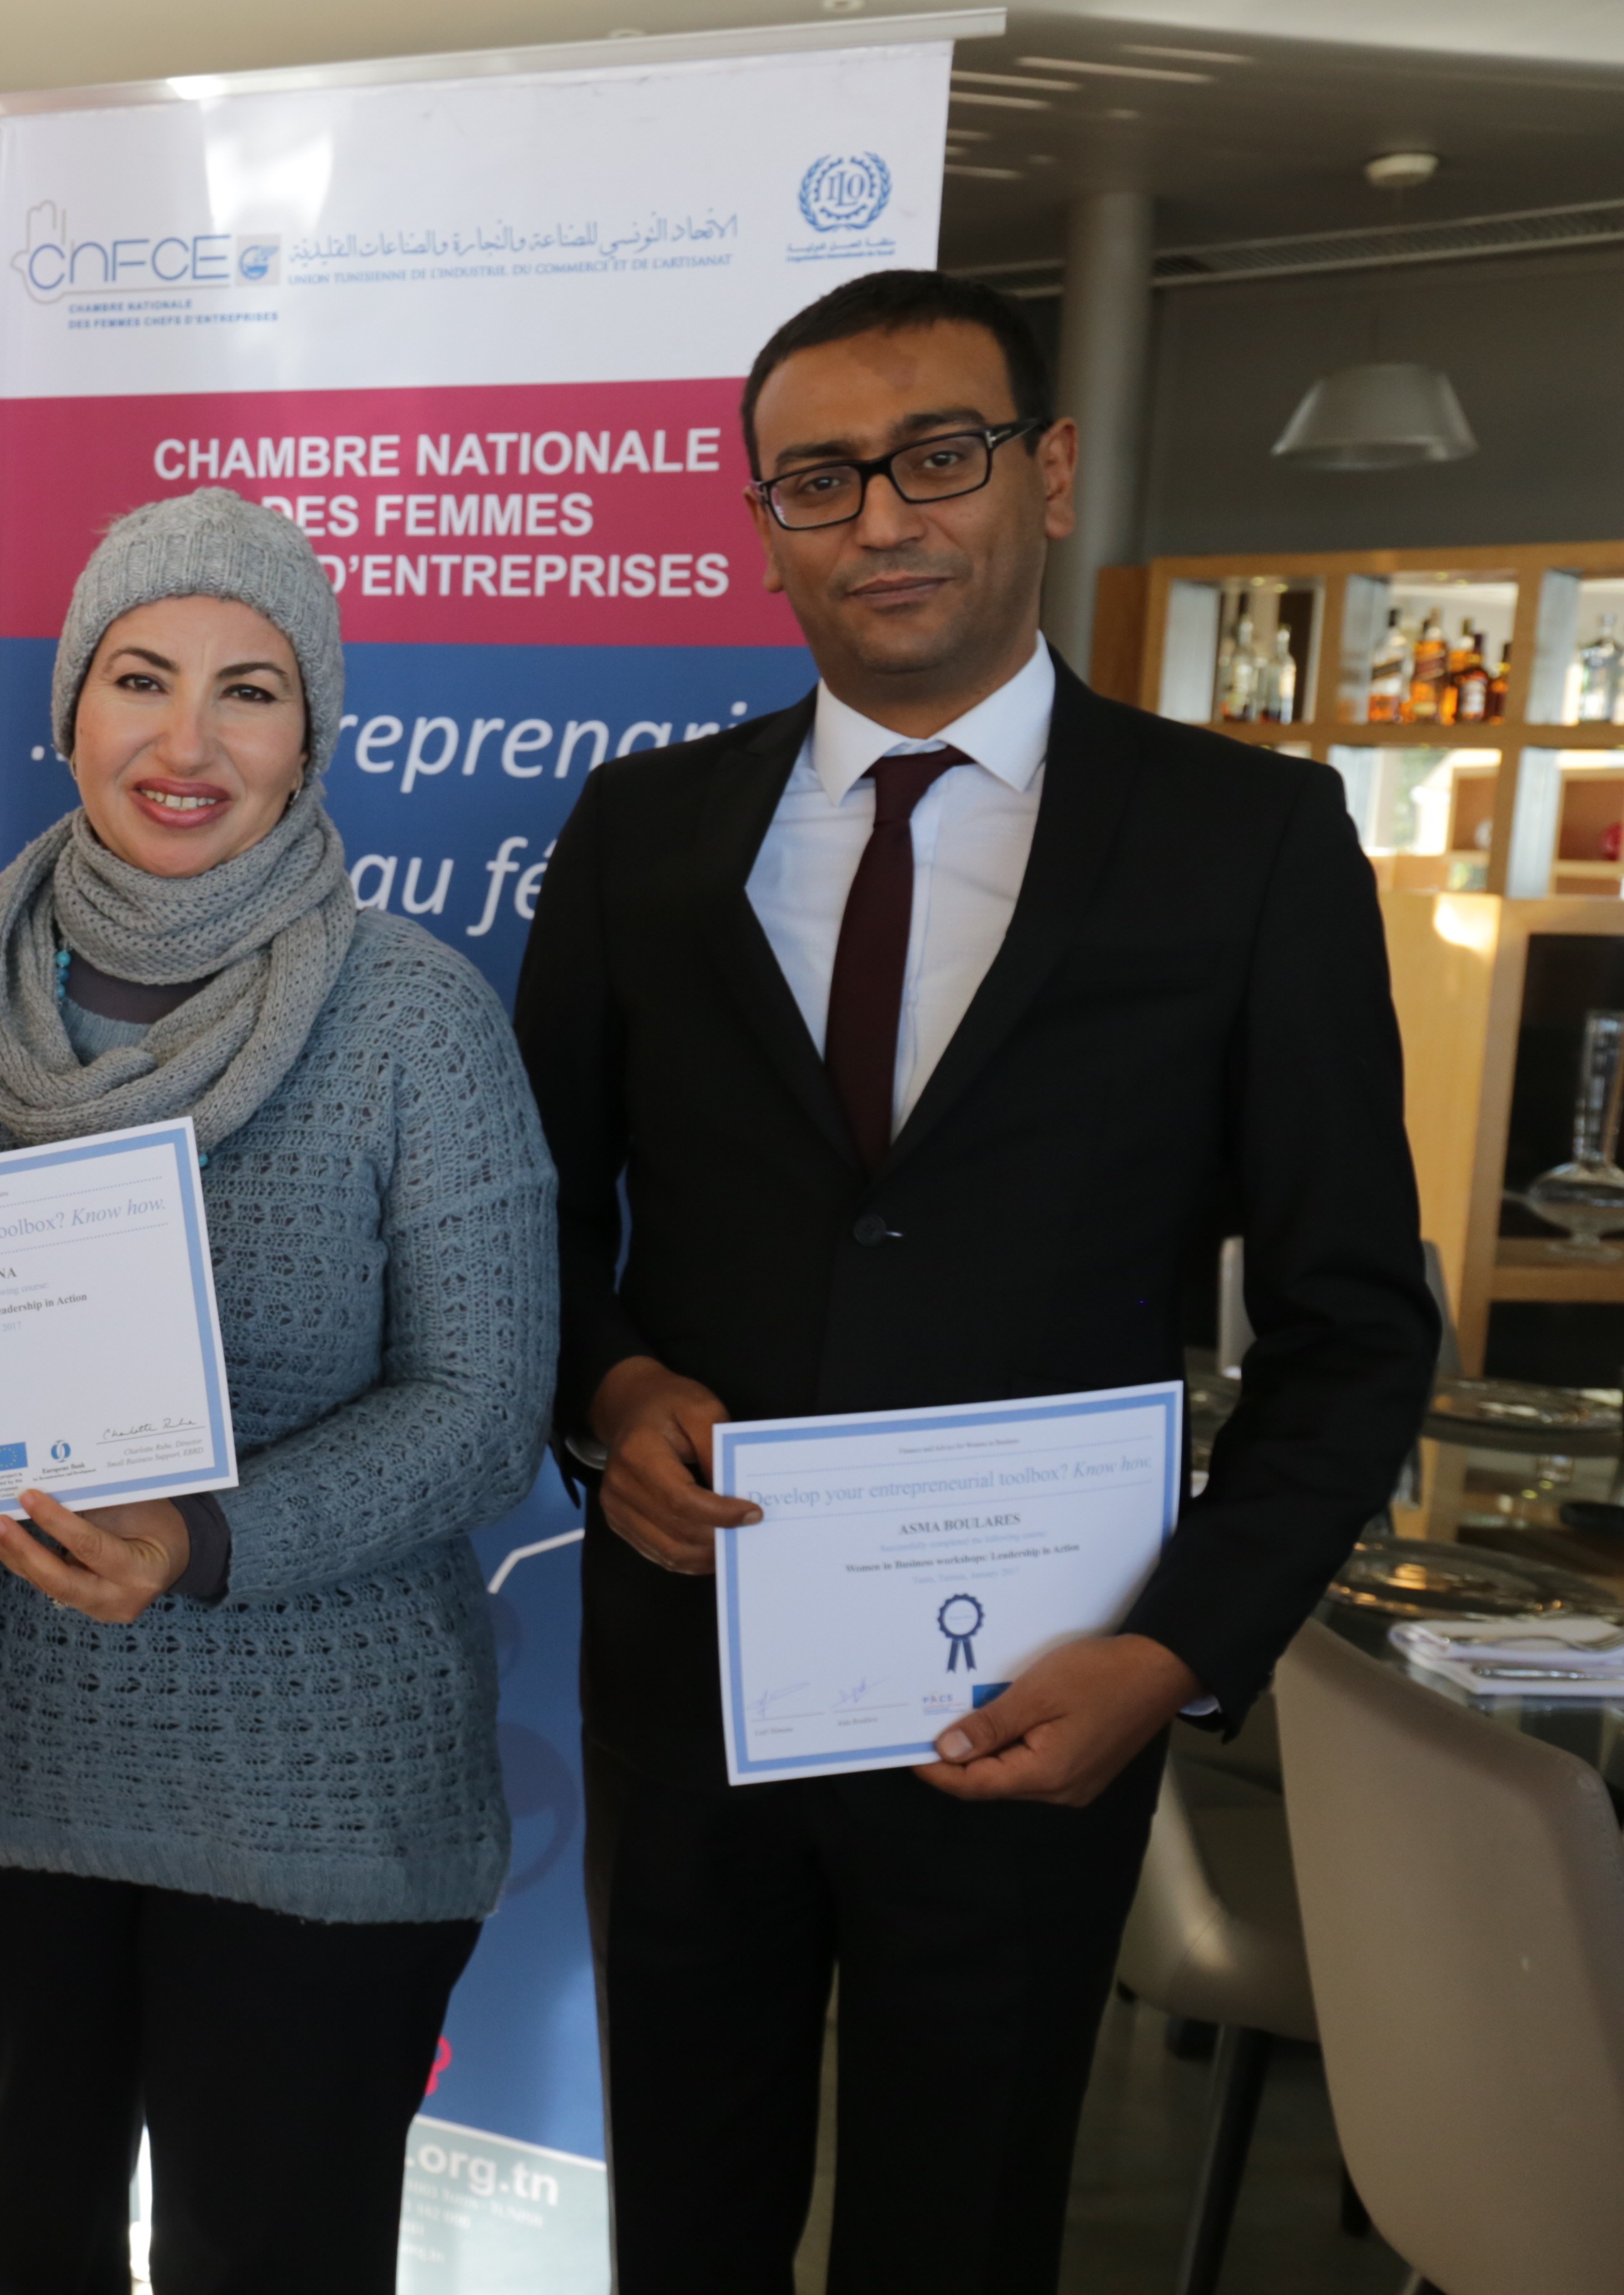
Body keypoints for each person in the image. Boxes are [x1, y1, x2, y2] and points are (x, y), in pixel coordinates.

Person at [513, 271, 1438, 2293]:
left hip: (1044, 1688)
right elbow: (534, 1219)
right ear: (766, 524)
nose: (881, 518)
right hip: (695, 1678)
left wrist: (1176, 1651)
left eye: (937, 456)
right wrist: (608, 1390)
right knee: (685, 2231)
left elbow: (1358, 1327)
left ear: (1052, 471)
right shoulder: (645, 832)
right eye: (818, 481)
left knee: (964, 2238)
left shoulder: (1249, 844)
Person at [0, 487, 559, 2295]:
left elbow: (484, 1408)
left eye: (249, 691)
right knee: (16, 2254)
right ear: (70, 709)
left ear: (311, 736)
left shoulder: (417, 1019)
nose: (186, 743)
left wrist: (207, 1537)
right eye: (141, 679)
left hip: (318, 1801)